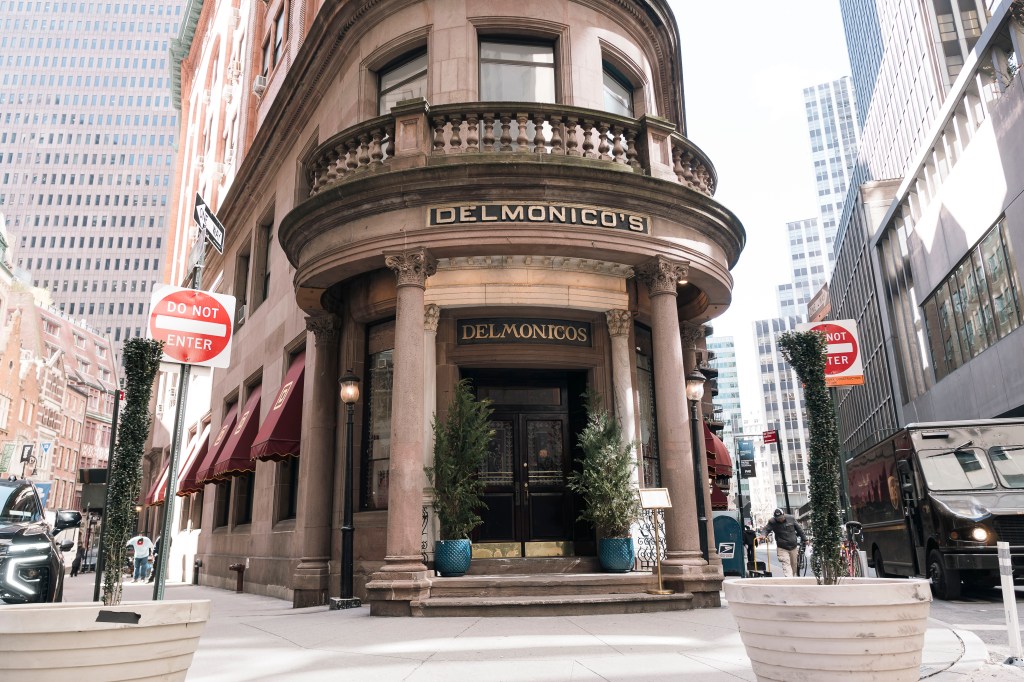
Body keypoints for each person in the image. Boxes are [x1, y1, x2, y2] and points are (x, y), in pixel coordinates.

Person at [763, 508, 807, 577]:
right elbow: (766, 529)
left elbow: (799, 529)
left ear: (783, 515)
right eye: (778, 518)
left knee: (794, 565)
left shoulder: (791, 518)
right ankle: (789, 579)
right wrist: (763, 535)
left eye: (781, 517)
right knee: (786, 563)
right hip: (782, 547)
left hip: (793, 546)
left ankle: (792, 578)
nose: (780, 519)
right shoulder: (772, 522)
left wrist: (805, 539)